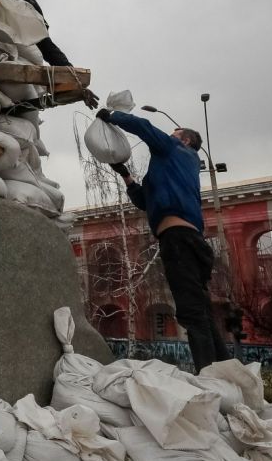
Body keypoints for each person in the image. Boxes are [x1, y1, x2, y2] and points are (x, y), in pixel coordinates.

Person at [96, 108, 231, 371]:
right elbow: (146, 202)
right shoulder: (177, 165)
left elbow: (144, 127)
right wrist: (126, 176)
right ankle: (225, 371)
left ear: (185, 140)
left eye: (173, 134)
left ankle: (210, 376)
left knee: (192, 313)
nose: (168, 138)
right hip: (189, 240)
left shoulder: (175, 150)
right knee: (201, 311)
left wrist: (111, 114)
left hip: (179, 241)